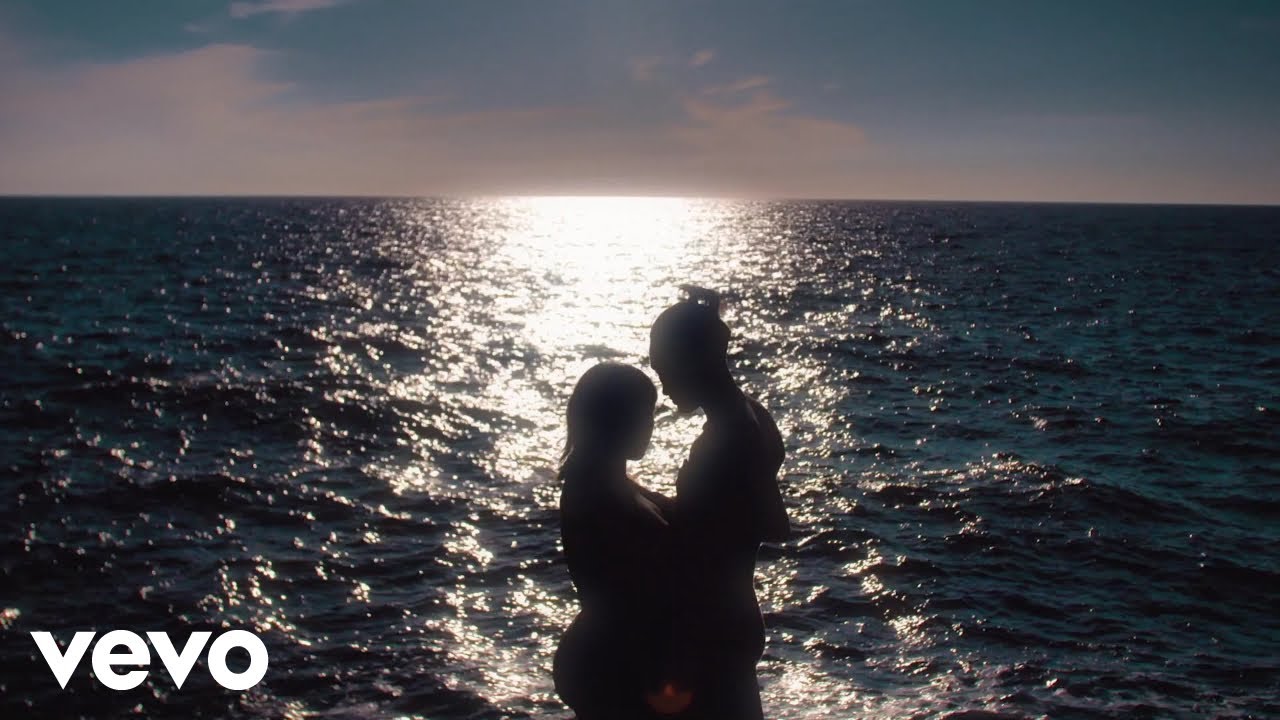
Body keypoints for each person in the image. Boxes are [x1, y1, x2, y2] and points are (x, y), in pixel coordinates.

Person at [649, 286, 789, 720]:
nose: (664, 386)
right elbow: (770, 522)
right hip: (734, 614)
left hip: (709, 627)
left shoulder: (725, 439)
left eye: (665, 369)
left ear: (694, 360)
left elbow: (701, 540)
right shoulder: (754, 416)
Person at [553, 362, 678, 719]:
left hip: (615, 653)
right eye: (641, 414)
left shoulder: (613, 480)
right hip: (612, 662)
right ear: (611, 417)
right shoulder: (595, 489)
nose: (649, 426)